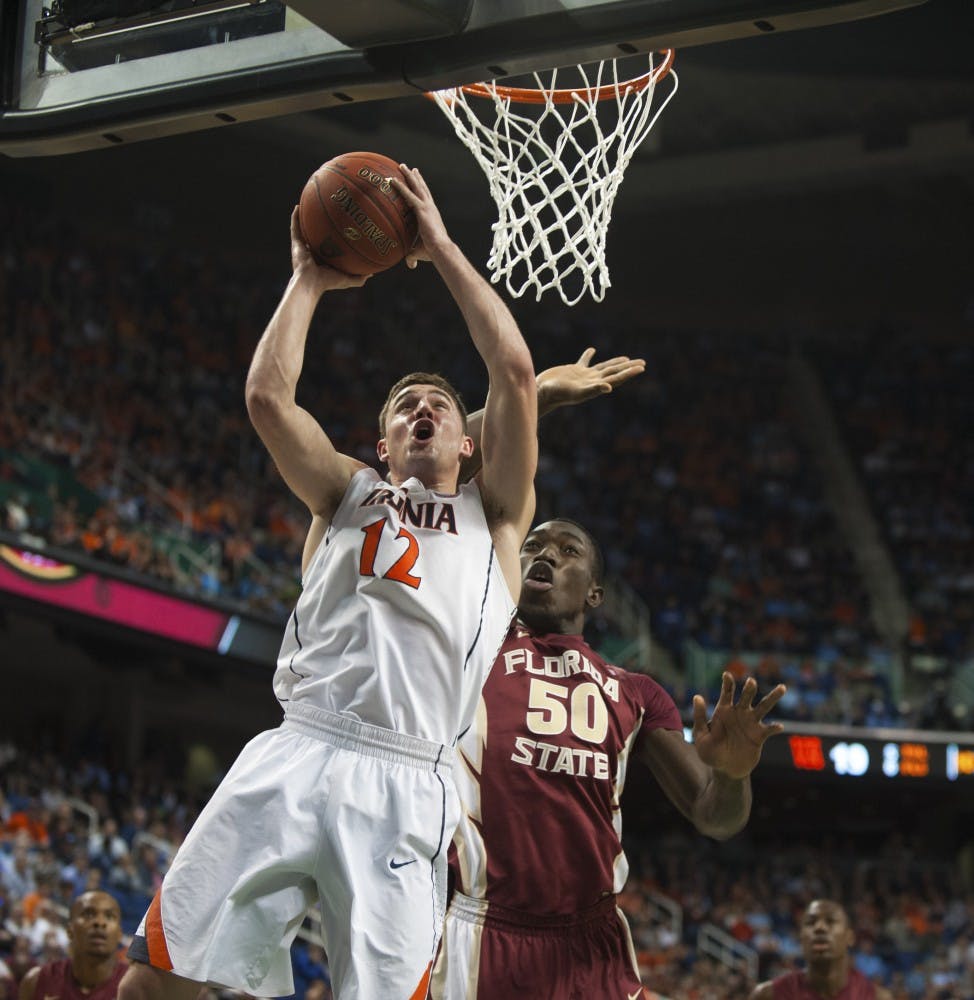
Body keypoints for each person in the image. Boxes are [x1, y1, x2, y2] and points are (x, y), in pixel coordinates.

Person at [119, 164, 538, 1000]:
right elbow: (268, 400)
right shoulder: (344, 493)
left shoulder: (494, 520)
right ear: (381, 444)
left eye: (441, 407)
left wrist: (443, 248)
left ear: (468, 445)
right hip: (296, 748)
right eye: (404, 406)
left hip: (407, 777)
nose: (424, 410)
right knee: (152, 988)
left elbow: (518, 374)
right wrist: (308, 279)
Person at [430, 517, 787, 999]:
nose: (547, 555)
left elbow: (715, 817)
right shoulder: (463, 654)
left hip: (592, 943)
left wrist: (732, 774)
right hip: (484, 930)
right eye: (533, 545)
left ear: (594, 595)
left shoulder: (637, 693)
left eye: (567, 550)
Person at [750, 900, 892, 1000]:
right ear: (801, 938)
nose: (819, 928)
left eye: (830, 921)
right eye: (811, 922)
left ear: (850, 937)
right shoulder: (768, 995)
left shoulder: (877, 997)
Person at [18, 891, 125, 1000]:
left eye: (109, 916)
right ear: (70, 930)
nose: (100, 922)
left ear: (119, 934)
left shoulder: (135, 986)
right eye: (88, 914)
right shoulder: (37, 981)